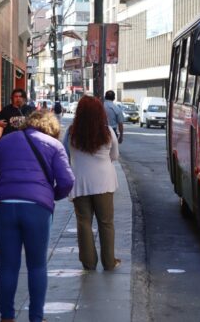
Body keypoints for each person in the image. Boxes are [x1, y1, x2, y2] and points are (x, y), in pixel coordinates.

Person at [0, 111, 74, 322]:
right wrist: (51, 195)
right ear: (52, 129)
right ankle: (36, 318)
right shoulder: (54, 145)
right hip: (37, 208)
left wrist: (3, 188)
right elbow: (67, 181)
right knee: (37, 265)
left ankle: (7, 317)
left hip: (5, 206)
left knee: (8, 265)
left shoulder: (7, 140)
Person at [64, 96, 121, 271]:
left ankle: (89, 262)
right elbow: (115, 156)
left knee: (83, 222)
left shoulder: (71, 131)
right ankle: (109, 262)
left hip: (80, 181)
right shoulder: (107, 132)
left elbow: (65, 153)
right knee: (106, 222)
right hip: (104, 182)